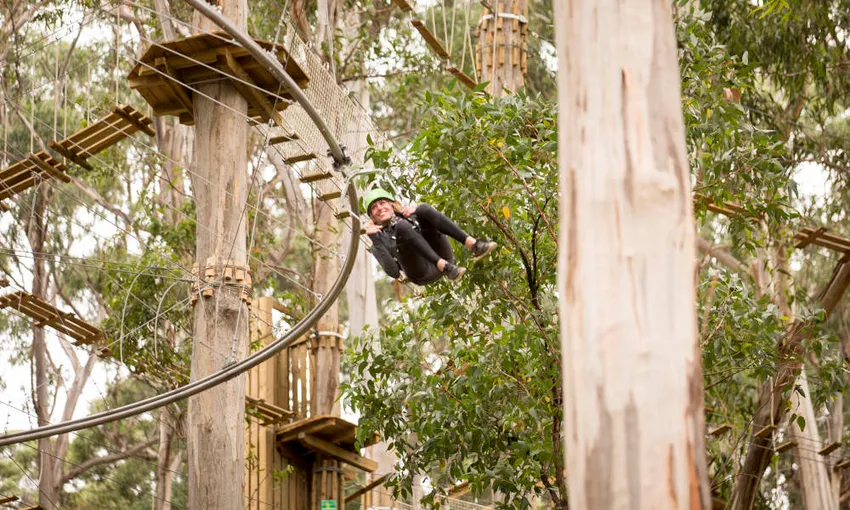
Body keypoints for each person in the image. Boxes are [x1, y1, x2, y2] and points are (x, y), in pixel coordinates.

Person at [363, 188, 497, 286]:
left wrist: (415, 212)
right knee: (402, 227)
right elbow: (394, 273)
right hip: (421, 271)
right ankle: (443, 266)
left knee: (423, 208)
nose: (380, 208)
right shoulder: (377, 242)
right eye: (374, 208)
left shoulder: (408, 216)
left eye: (382, 203)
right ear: (372, 217)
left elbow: (433, 222)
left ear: (391, 205)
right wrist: (376, 240)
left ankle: (473, 245)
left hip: (444, 257)